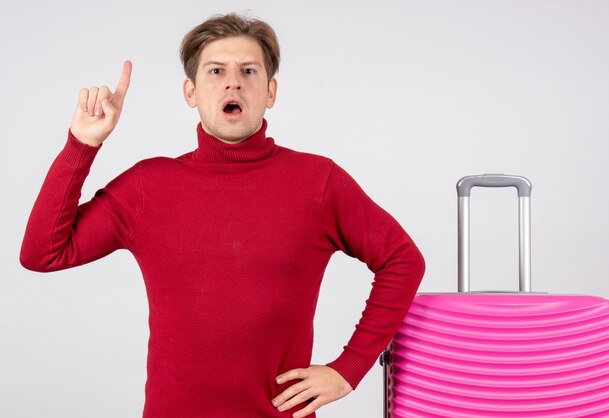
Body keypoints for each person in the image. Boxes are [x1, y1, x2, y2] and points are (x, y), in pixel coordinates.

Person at [20, 13, 425, 418]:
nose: (233, 82)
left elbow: (402, 259)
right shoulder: (148, 185)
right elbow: (43, 254)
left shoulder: (318, 182)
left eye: (249, 71)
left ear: (270, 91)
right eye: (216, 71)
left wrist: (348, 369)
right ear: (191, 91)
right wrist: (81, 145)